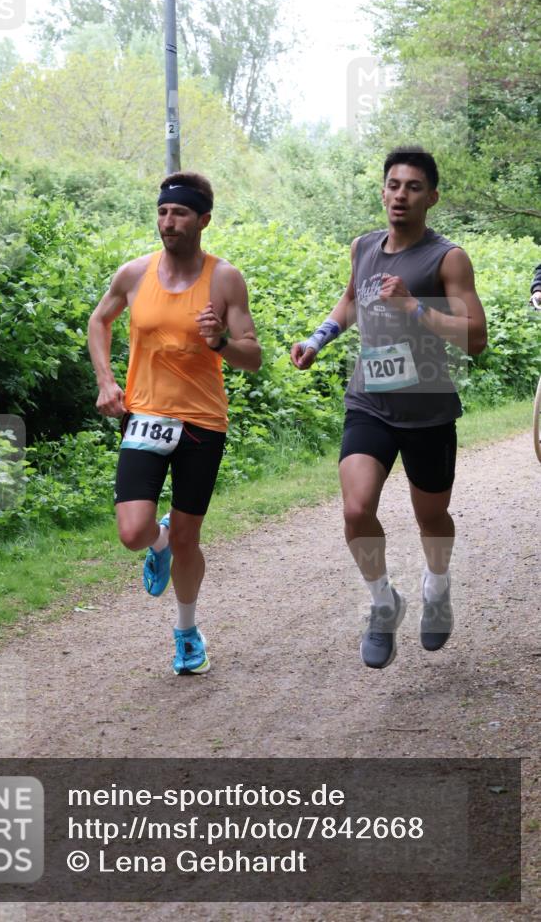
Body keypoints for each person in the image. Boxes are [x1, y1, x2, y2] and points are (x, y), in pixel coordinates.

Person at [291, 146, 487, 669]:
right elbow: (352, 300)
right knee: (356, 509)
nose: (401, 195)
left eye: (413, 187)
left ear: (432, 197)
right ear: (383, 191)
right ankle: (383, 604)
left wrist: (414, 307)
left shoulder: (448, 258)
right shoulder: (364, 247)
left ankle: (437, 588)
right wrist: (318, 339)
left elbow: (475, 338)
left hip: (427, 409)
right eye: (394, 185)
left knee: (432, 517)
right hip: (369, 402)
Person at [88, 171, 261, 675]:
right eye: (163, 212)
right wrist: (106, 381)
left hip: (203, 423)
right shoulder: (134, 274)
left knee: (190, 538)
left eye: (180, 212)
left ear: (203, 219)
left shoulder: (224, 278)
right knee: (132, 530)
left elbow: (253, 355)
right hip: (144, 416)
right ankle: (156, 543)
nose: (169, 221)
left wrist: (220, 343)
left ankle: (187, 633)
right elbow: (100, 321)